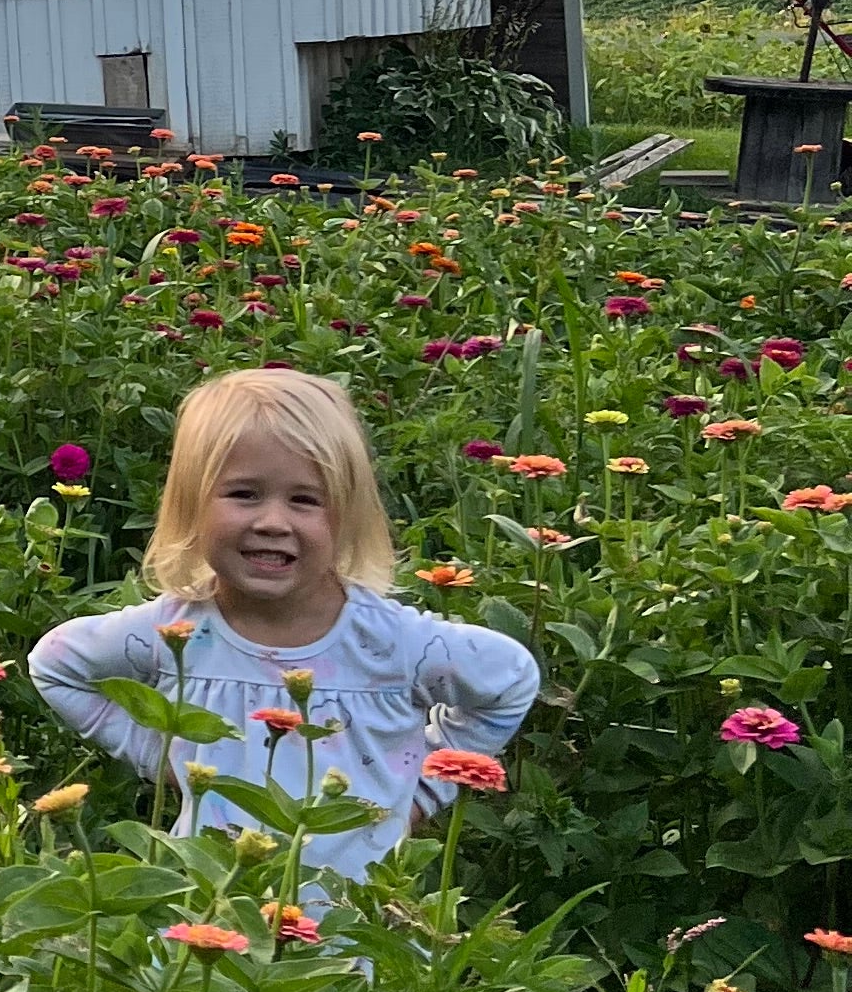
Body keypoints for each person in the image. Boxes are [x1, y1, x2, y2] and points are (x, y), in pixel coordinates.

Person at [27, 367, 539, 881]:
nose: (273, 521)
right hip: (214, 911)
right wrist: (161, 754)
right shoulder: (178, 633)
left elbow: (511, 679)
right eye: (244, 494)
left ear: (346, 517)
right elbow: (56, 666)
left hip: (354, 923)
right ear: (191, 507)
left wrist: (424, 789)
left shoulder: (388, 642)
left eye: (305, 500)